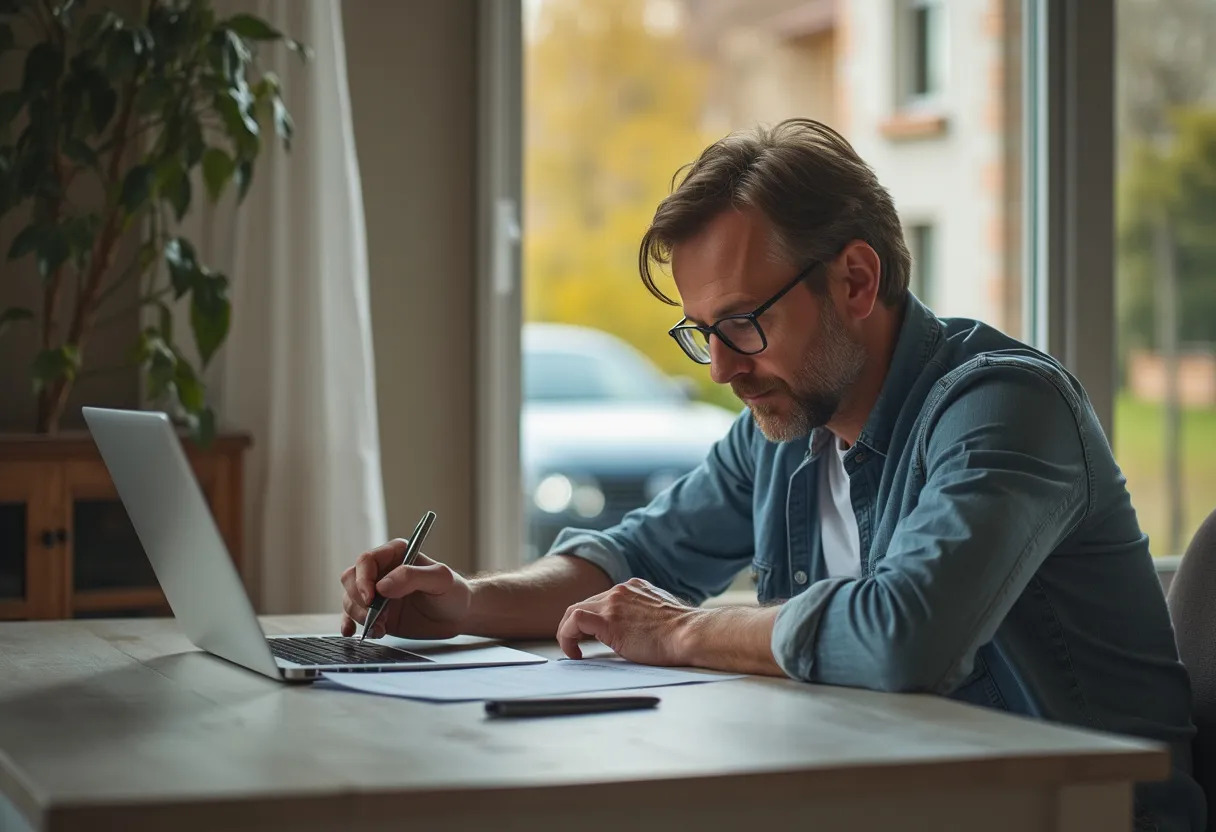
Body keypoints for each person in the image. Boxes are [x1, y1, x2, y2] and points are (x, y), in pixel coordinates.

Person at [339, 118, 1203, 831]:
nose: (718, 367)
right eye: (701, 331)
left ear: (856, 280)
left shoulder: (1005, 407)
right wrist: (465, 601)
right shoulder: (788, 426)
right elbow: (631, 558)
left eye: (743, 321)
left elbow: (906, 634)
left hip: (1082, 815)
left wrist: (681, 632)